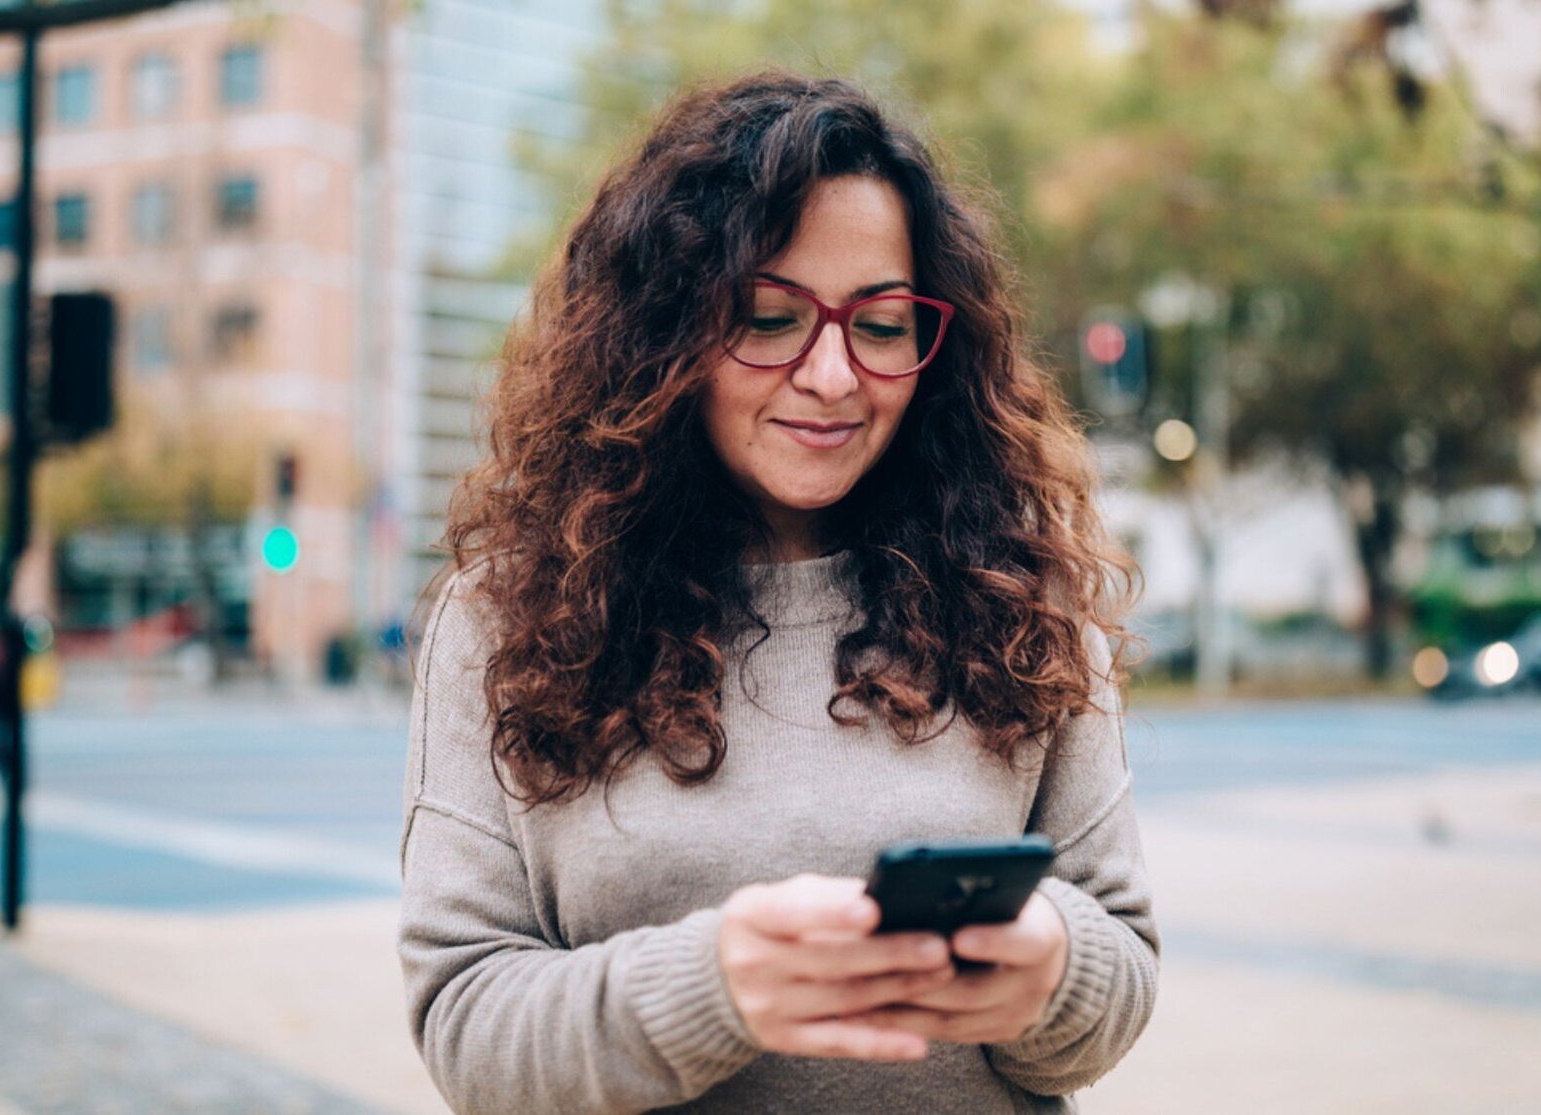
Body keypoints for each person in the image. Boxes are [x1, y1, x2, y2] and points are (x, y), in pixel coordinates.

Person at [399, 72, 1158, 1114]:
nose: (833, 375)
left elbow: (1119, 962)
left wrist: (1053, 971)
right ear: (661, 333)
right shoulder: (504, 614)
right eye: (767, 316)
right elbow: (466, 1025)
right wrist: (709, 987)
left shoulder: (1026, 591)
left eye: (881, 324)